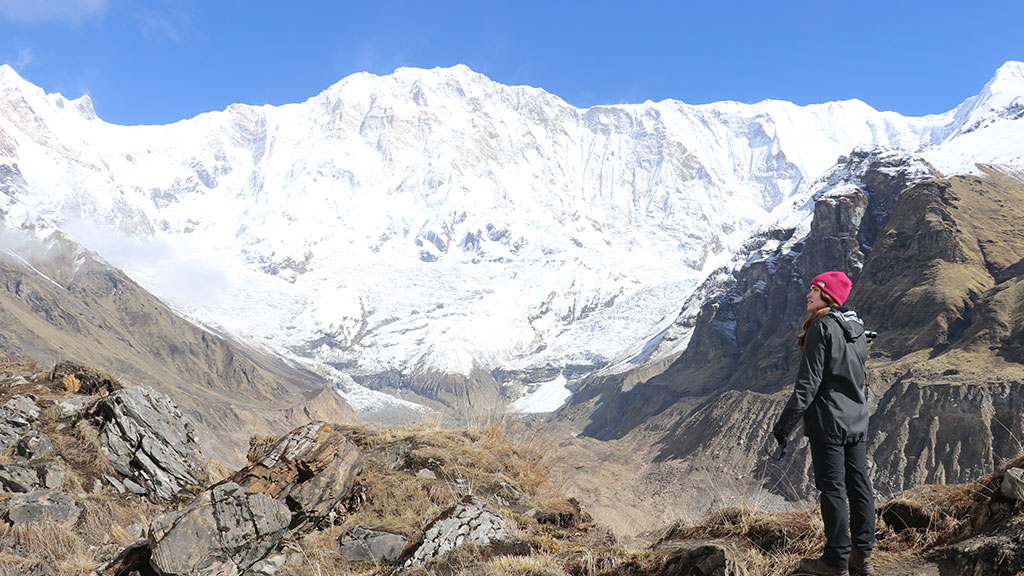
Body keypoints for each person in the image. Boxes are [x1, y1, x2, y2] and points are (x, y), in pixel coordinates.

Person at [772, 271, 875, 576]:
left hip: (828, 423)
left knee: (832, 489)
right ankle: (862, 556)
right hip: (857, 419)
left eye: (814, 290)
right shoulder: (855, 327)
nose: (808, 295)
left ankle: (835, 561)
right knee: (859, 486)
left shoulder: (821, 328)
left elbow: (807, 385)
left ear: (827, 296)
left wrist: (783, 427)